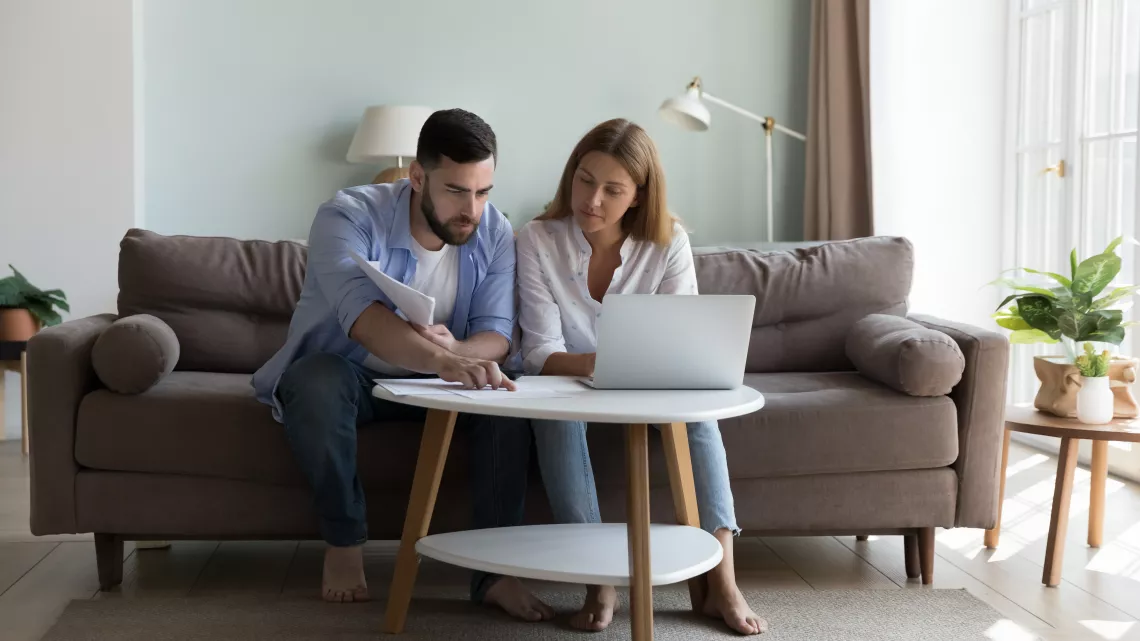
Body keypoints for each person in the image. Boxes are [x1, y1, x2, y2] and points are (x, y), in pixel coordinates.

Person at [252, 108, 554, 622]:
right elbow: (362, 319)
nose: (472, 210)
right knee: (315, 381)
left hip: (443, 383)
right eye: (457, 191)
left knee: (508, 396)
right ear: (417, 177)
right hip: (355, 374)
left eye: (483, 192)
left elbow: (497, 337)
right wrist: (446, 358)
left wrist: (458, 353)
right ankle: (345, 542)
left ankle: (496, 574)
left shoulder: (495, 231)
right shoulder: (345, 216)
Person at [515, 118, 768, 635]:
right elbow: (540, 351)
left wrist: (632, 367)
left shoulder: (668, 242)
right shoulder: (537, 238)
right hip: (566, 382)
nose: (592, 199)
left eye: (613, 190)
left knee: (700, 421)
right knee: (554, 419)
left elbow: (684, 336)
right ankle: (598, 582)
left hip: (651, 385)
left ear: (638, 195)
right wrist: (596, 365)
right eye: (585, 180)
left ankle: (723, 581)